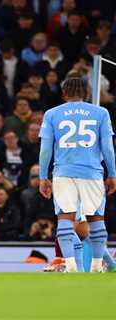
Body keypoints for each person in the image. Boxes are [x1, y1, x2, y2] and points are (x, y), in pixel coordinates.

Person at [39, 77, 116, 272]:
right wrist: (112, 174)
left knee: (65, 218)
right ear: (87, 93)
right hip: (92, 172)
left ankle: (71, 264)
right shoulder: (100, 113)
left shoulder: (52, 114)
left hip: (63, 172)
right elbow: (108, 148)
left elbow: (45, 149)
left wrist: (42, 176)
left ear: (64, 93)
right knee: (96, 218)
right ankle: (97, 265)